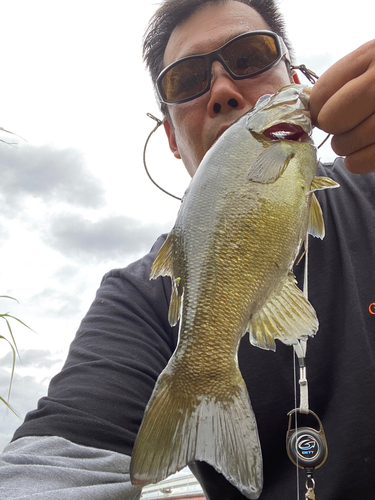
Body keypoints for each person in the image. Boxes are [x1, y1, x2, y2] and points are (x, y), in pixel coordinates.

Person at [0, 0, 374, 498]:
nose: (222, 90)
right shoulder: (136, 300)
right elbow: (54, 465)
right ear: (172, 138)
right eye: (186, 80)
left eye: (250, 57)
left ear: (298, 79)